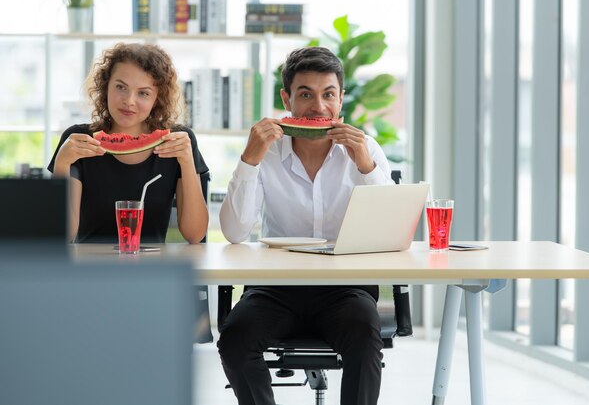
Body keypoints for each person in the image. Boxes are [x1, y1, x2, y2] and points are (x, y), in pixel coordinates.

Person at [218, 46, 394, 405]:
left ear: (341, 98)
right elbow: (235, 232)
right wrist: (249, 160)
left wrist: (365, 166)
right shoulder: (265, 151)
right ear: (287, 99)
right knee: (235, 338)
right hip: (276, 288)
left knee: (363, 334)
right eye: (305, 95)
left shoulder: (366, 148)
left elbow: (389, 229)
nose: (318, 107)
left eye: (328, 94)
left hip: (345, 289)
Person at [48, 42, 208, 244]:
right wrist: (62, 165)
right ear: (106, 87)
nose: (129, 100)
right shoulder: (79, 140)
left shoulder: (177, 142)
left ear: (157, 99)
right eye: (121, 87)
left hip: (152, 269)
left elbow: (195, 235)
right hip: (89, 269)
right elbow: (61, 237)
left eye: (143, 93)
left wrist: (187, 162)